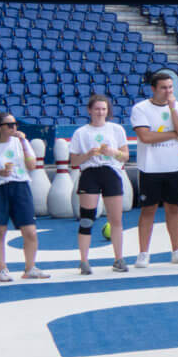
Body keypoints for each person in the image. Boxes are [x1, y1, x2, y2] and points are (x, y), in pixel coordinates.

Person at [129, 71, 178, 266]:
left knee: (173, 209)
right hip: (150, 168)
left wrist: (173, 110)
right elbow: (145, 137)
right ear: (154, 89)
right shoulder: (140, 108)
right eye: (164, 88)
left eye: (170, 87)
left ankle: (177, 250)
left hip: (174, 166)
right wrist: (173, 134)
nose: (168, 91)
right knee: (148, 210)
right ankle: (143, 253)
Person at [0, 109, 45, 282]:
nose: (14, 127)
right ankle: (3, 269)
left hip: (20, 186)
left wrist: (23, 141)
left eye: (15, 124)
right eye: (10, 124)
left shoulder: (20, 142)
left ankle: (30, 268)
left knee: (30, 231)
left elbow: (32, 165)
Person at [70, 94, 128, 274]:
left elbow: (125, 155)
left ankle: (119, 258)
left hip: (111, 172)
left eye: (103, 109)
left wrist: (112, 152)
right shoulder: (81, 132)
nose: (100, 112)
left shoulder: (116, 129)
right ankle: (84, 260)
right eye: (97, 109)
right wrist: (88, 154)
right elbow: (73, 161)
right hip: (90, 173)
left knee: (116, 219)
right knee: (87, 219)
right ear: (90, 110)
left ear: (108, 110)